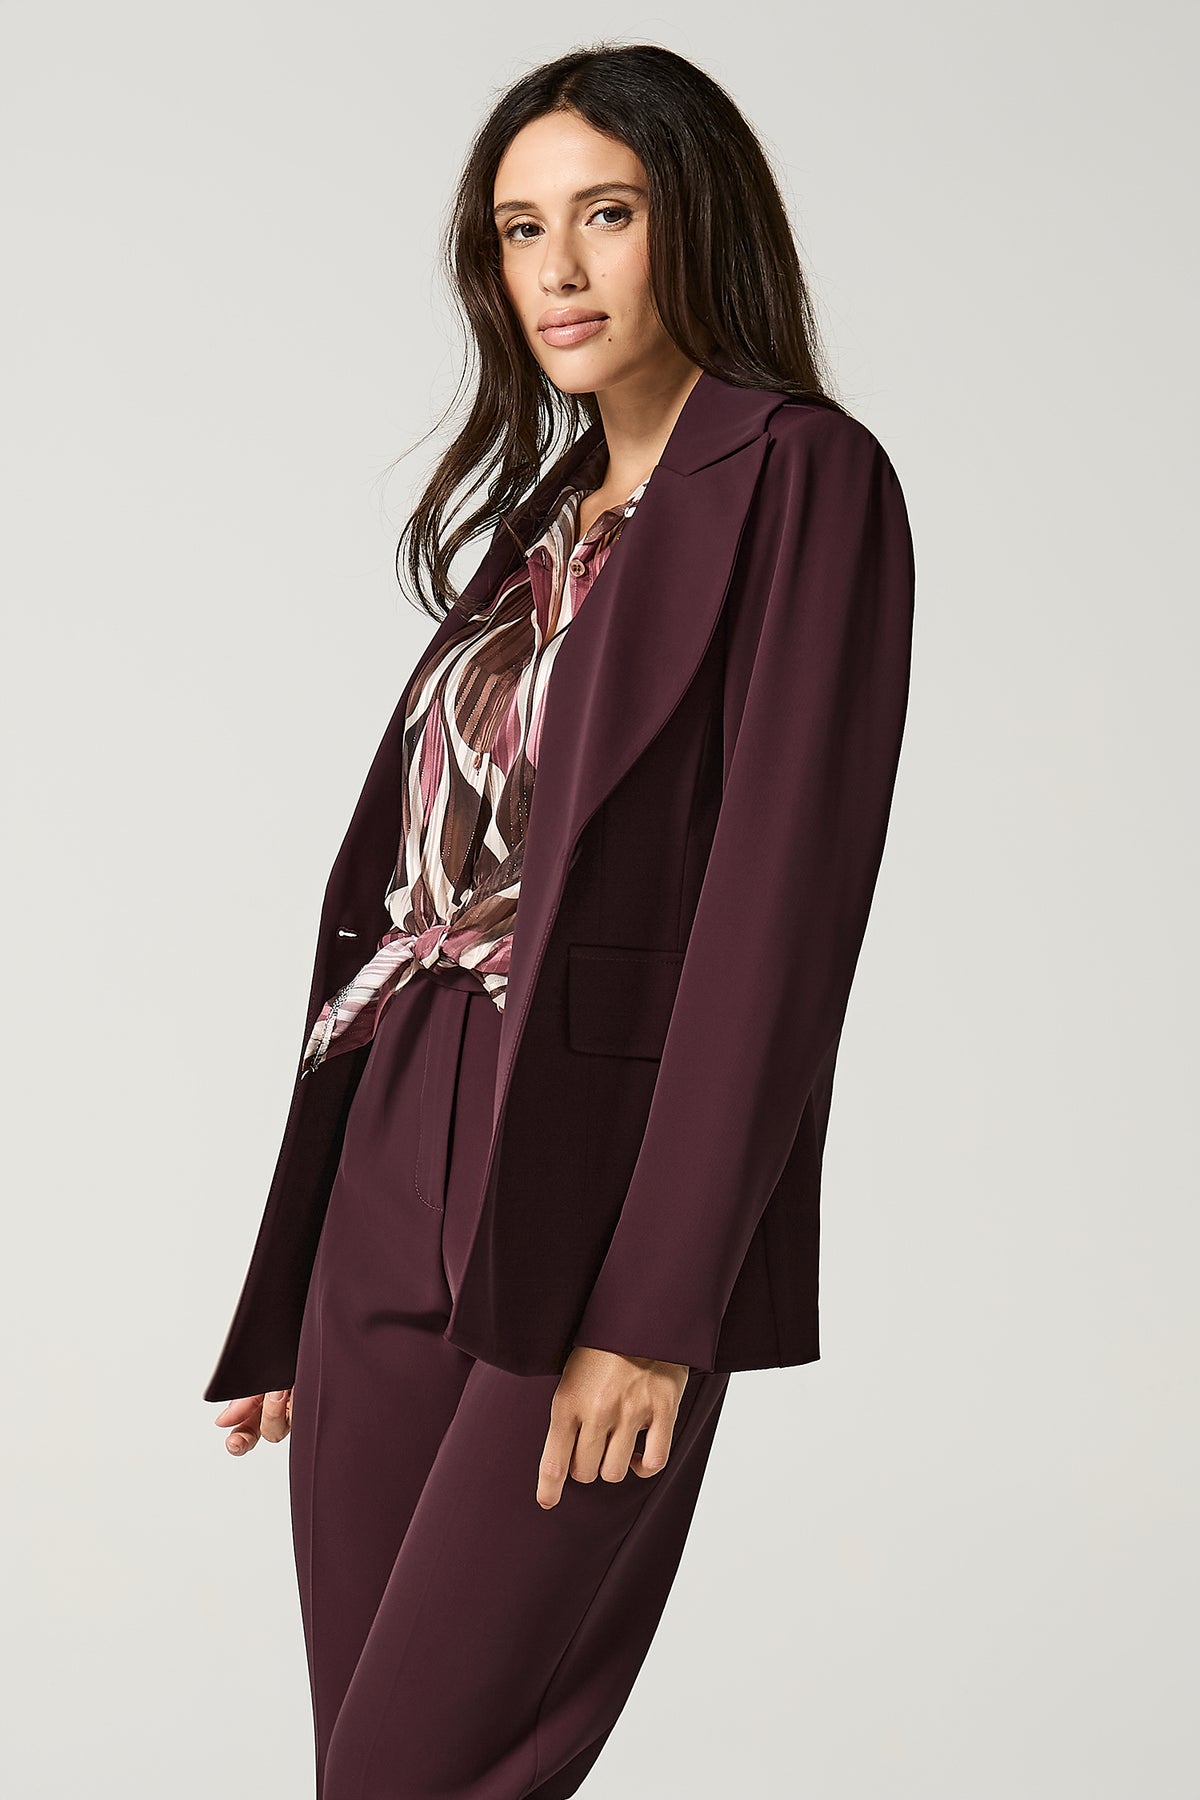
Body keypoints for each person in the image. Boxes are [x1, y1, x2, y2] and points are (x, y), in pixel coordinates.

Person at [203, 41, 915, 1800]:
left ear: (699, 222)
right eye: (523, 230)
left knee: (425, 1770)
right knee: (364, 1764)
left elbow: (780, 916)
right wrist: (295, 1274)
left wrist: (661, 1306)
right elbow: (410, 889)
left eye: (607, 214)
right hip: (394, 1145)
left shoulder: (803, 479)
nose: (560, 270)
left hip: (591, 1182)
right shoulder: (540, 523)